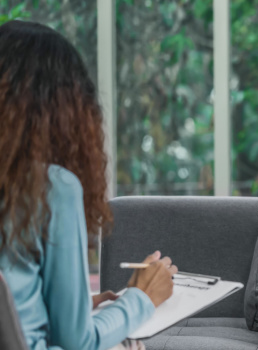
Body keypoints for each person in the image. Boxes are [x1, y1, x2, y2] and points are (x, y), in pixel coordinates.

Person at [0, 20, 177, 350]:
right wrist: (142, 297)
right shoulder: (51, 187)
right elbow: (77, 341)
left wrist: (75, 307)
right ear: (65, 108)